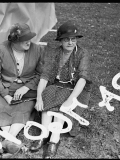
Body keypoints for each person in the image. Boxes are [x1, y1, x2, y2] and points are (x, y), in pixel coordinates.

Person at [29, 21, 91, 158]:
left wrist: (71, 100)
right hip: (56, 84)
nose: (70, 42)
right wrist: (39, 97)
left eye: (73, 39)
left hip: (73, 88)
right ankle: (43, 134)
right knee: (48, 93)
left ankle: (54, 140)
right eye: (66, 39)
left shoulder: (82, 53)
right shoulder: (55, 53)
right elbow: (45, 77)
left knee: (62, 102)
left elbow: (82, 79)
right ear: (61, 41)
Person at [0, 23, 45, 155]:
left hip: (27, 91)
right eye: (25, 39)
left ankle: (6, 142)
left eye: (30, 38)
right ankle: (12, 141)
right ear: (15, 41)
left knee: (26, 107)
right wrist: (5, 95)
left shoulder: (37, 50)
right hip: (4, 88)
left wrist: (26, 88)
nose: (29, 42)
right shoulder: (1, 49)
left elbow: (41, 74)